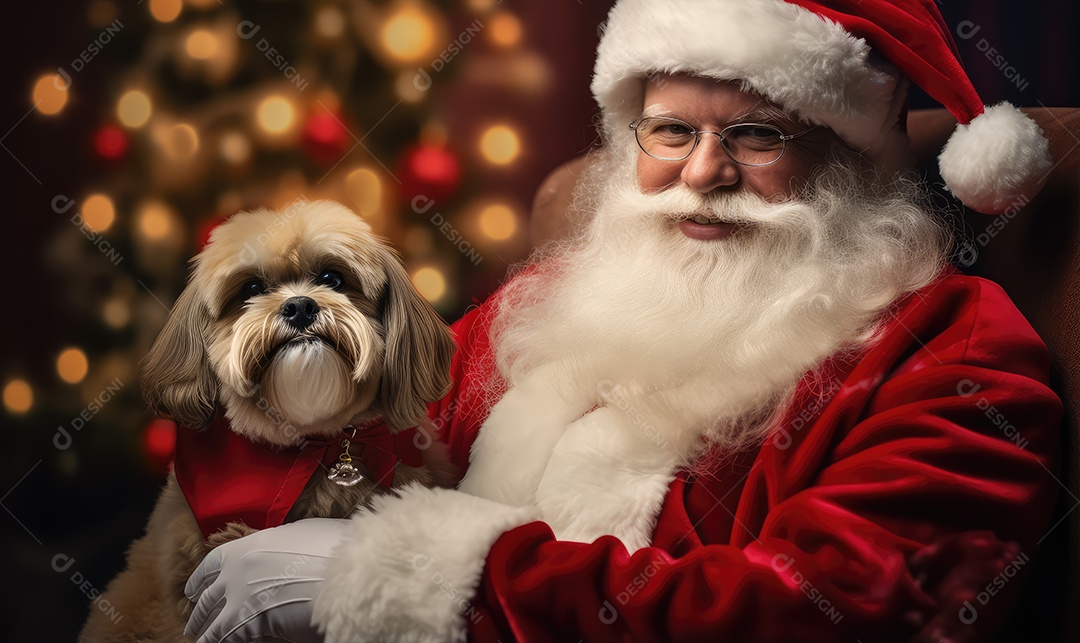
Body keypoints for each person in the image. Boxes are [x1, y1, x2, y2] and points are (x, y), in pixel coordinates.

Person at [182, 0, 1063, 641]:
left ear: (851, 162)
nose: (703, 171)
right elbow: (370, 429)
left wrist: (407, 577)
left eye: (758, 135)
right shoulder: (565, 298)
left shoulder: (953, 350)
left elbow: (829, 611)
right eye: (670, 130)